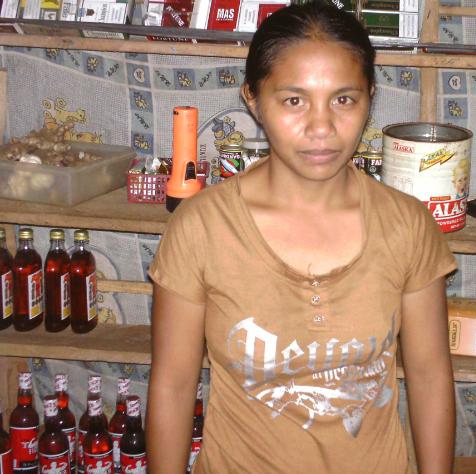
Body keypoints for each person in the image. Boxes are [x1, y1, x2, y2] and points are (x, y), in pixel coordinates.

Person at [146, 2, 458, 473]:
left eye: (343, 100)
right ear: (254, 99)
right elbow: (172, 386)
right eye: (294, 101)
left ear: (370, 98)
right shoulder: (202, 227)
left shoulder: (407, 225)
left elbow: (430, 376)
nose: (321, 128)